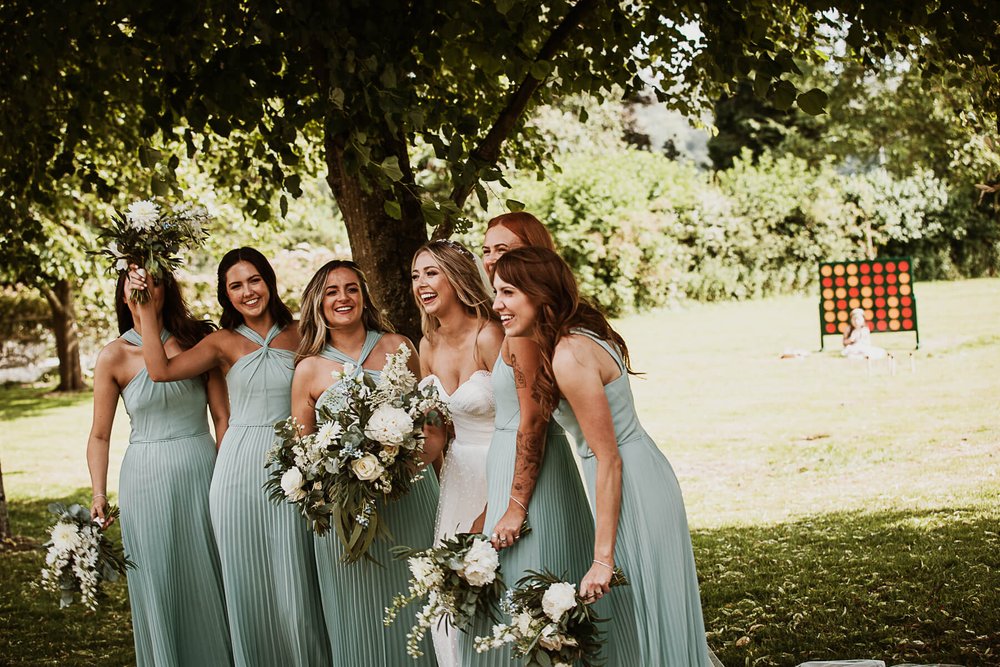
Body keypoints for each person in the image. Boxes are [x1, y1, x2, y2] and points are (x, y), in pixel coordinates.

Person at [493, 246, 713, 666]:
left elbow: (608, 458)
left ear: (539, 294)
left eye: (508, 293)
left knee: (649, 614)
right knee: (649, 616)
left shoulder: (570, 355)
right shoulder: (576, 335)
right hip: (639, 471)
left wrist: (601, 560)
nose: (497, 304)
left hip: (630, 484)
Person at [130, 249, 330, 667]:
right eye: (235, 285)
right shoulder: (221, 343)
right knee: (246, 583)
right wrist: (145, 310)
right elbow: (161, 371)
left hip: (295, 466)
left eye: (253, 280)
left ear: (269, 281)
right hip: (237, 471)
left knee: (298, 580)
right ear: (226, 294)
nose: (247, 291)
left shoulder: (304, 333)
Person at [460, 213, 641, 667]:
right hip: (511, 464)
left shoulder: (528, 332)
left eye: (505, 250)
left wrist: (516, 503)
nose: (491, 259)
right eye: (487, 250)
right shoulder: (517, 320)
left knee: (537, 597)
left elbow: (534, 422)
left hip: (534, 470)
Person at [290, 259, 440, 667]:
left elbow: (430, 420)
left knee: (422, 601)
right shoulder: (308, 368)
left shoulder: (399, 346)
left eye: (351, 288)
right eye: (332, 291)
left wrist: (405, 467)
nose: (343, 298)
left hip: (412, 493)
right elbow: (304, 453)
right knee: (362, 618)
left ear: (363, 296)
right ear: (318, 303)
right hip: (349, 510)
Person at [87, 271, 232, 666]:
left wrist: (226, 475)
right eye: (131, 281)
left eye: (150, 281)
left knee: (209, 575)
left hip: (201, 469)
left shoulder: (196, 341)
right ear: (121, 292)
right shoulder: (113, 355)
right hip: (143, 479)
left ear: (165, 289)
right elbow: (99, 435)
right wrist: (99, 494)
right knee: (157, 580)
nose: (141, 289)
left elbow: (222, 417)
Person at [411, 241, 502, 667]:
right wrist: (391, 462)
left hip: (497, 469)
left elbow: (521, 420)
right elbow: (435, 436)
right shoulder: (426, 346)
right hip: (456, 480)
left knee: (499, 587)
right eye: (415, 276)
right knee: (451, 601)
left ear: (456, 278)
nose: (421, 284)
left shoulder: (489, 334)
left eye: (431, 273)